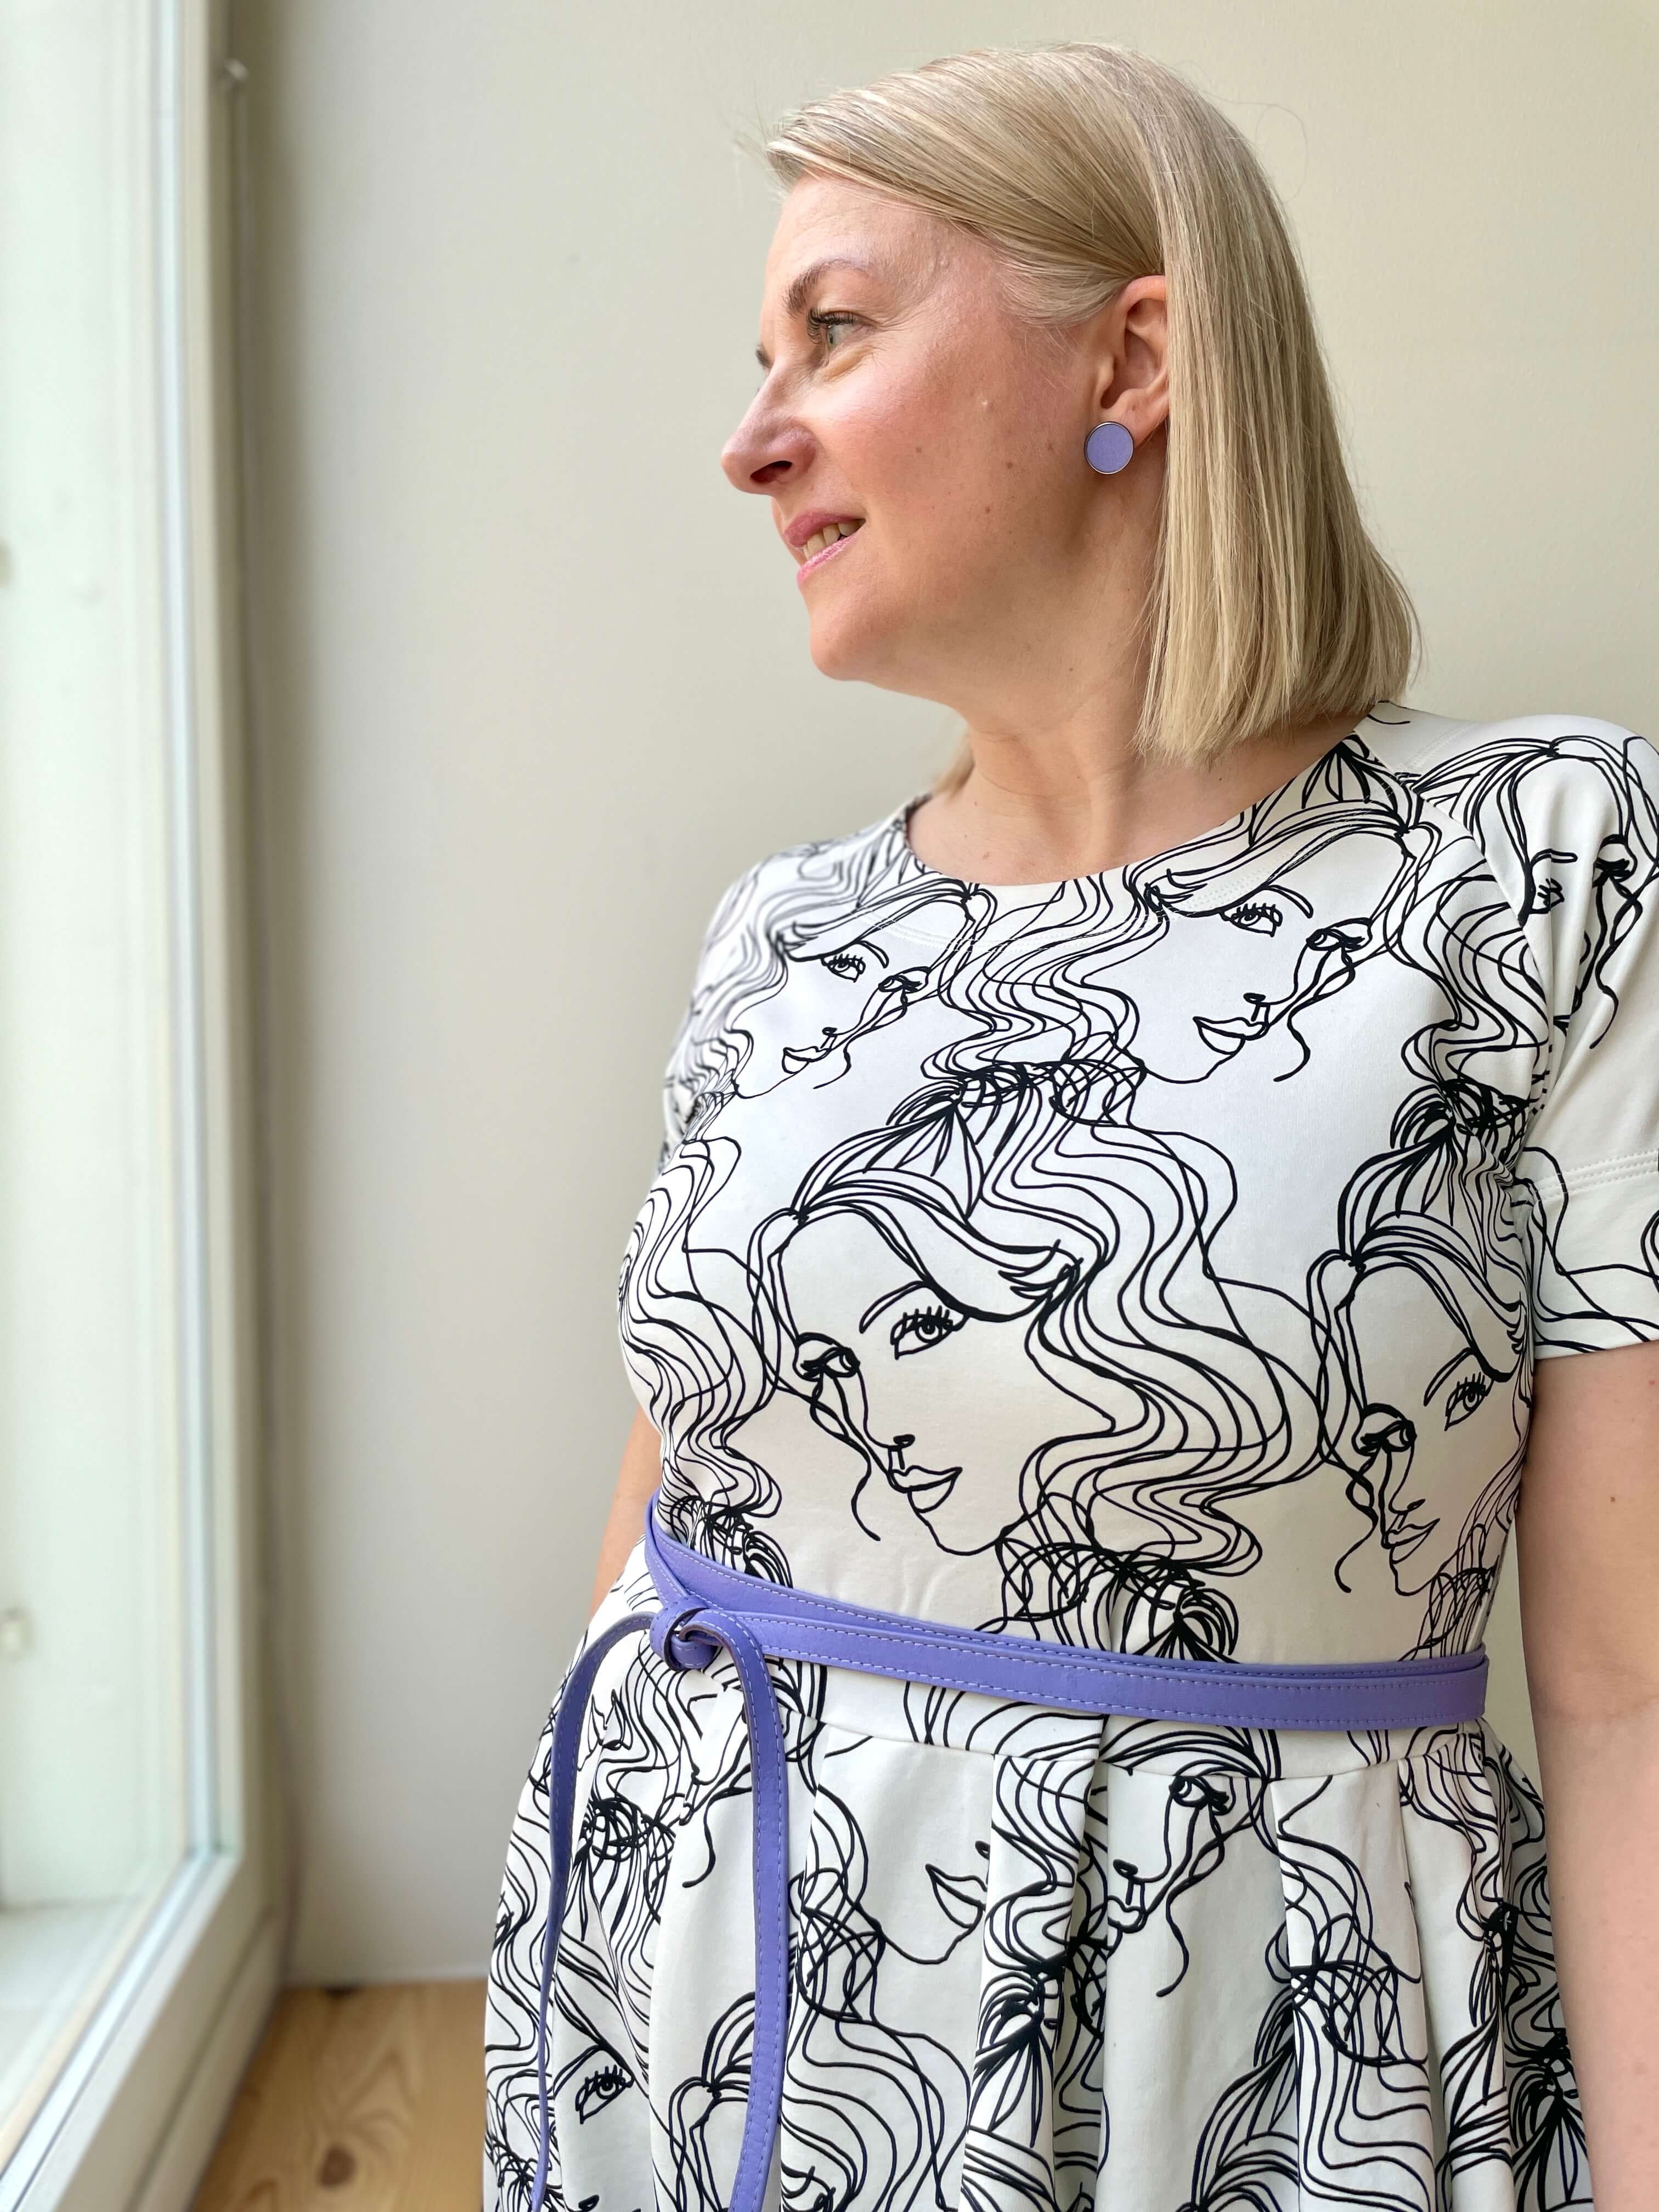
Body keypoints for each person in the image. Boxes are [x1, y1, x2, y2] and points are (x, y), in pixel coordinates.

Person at [484, 40, 1659, 2212]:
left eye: (835, 329)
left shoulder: (1537, 866)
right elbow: (661, 1542)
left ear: (1133, 355)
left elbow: (1626, 1700)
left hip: (1252, 2094)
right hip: (684, 2059)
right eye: (761, 361)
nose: (751, 441)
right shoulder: (780, 938)